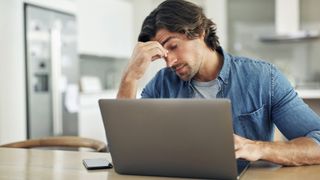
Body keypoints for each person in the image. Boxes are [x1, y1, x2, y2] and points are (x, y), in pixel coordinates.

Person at [117, 0, 320, 166]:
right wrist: (130, 76)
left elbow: (317, 142)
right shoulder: (161, 84)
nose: (169, 62)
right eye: (163, 55)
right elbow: (124, 148)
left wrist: (257, 148)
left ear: (200, 32)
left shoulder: (264, 78)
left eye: (173, 46)